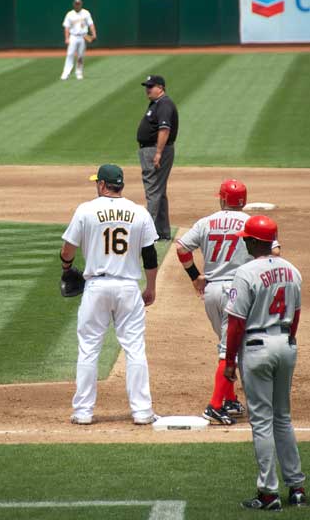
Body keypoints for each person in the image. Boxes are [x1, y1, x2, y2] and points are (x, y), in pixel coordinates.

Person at [60, 163, 159, 425]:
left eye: (97, 182)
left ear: (103, 185)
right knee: (135, 348)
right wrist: (150, 287)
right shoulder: (139, 213)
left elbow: (68, 249)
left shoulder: (86, 210)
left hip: (96, 288)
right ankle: (142, 411)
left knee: (89, 349)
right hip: (128, 288)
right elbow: (149, 255)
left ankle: (83, 412)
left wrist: (66, 267)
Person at [176, 180, 281, 426]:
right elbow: (274, 253)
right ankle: (214, 406)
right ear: (243, 201)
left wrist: (195, 277)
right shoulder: (250, 223)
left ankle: (230, 398)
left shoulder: (206, 222)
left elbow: (181, 248)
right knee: (229, 348)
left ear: (222, 199)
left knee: (228, 343)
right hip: (239, 290)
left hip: (211, 291)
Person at [224, 215, 306, 511]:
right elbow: (295, 315)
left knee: (261, 421)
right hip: (286, 344)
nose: (245, 240)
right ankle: (296, 488)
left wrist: (230, 361)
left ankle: (268, 493)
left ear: (255, 242)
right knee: (283, 417)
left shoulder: (245, 273)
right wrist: (288, 339)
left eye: (247, 238)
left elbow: (236, 323)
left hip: (257, 347)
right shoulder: (292, 270)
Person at [136, 75, 178, 240]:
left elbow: (165, 129)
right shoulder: (158, 103)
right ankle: (162, 232)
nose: (147, 89)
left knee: (153, 190)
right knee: (158, 191)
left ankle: (147, 233)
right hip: (153, 149)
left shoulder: (164, 104)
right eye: (147, 86)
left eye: (151, 86)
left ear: (160, 87)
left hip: (156, 150)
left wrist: (158, 152)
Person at [60, 0, 96, 80]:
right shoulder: (70, 14)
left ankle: (79, 73)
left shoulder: (86, 13)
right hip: (73, 36)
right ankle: (66, 73)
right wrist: (67, 38)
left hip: (83, 37)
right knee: (70, 54)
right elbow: (66, 27)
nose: (77, 5)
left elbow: (91, 24)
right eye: (76, 4)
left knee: (80, 56)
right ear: (74, 4)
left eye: (78, 4)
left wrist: (94, 34)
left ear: (81, 4)